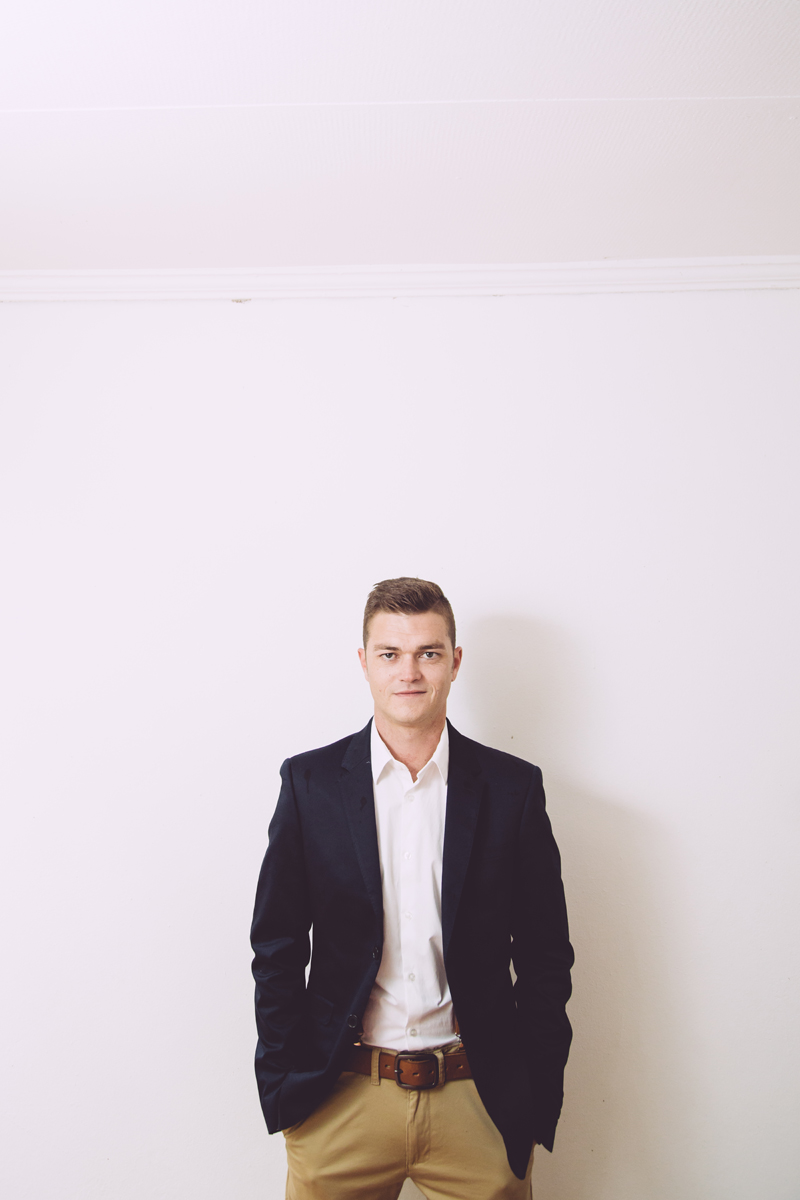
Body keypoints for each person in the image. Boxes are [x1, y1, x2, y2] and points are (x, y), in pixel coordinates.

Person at [251, 578, 573, 1199]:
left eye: (428, 653)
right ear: (364, 662)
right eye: (390, 654)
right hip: (340, 1097)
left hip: (476, 1100)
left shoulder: (513, 789)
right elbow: (277, 945)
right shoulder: (310, 784)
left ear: (455, 661)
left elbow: (545, 956)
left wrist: (533, 1090)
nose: (409, 672)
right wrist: (285, 1085)